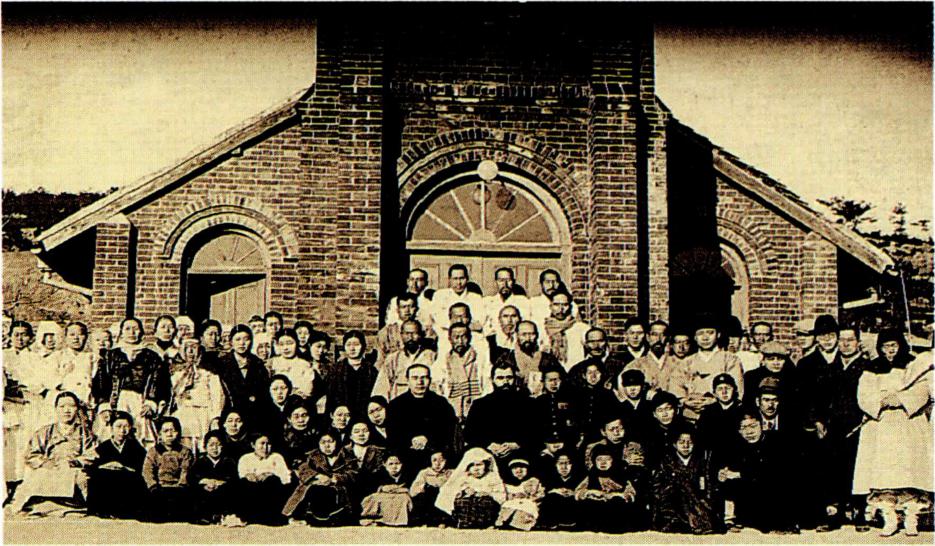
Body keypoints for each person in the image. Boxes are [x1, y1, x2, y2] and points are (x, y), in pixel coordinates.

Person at [852, 328, 933, 537]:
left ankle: (911, 517)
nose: (890, 351)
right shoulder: (872, 369)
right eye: (885, 347)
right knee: (883, 474)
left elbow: (923, 389)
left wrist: (902, 399)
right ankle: (889, 517)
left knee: (908, 472)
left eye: (893, 346)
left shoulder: (913, 365)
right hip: (881, 425)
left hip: (907, 422)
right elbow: (863, 394)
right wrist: (880, 402)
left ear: (901, 346)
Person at [7, 391, 95, 517]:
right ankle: (39, 505)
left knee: (82, 480)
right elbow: (32, 454)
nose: (67, 410)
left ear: (77, 409)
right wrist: (46, 463)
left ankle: (71, 506)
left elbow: (92, 454)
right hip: (49, 469)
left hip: (74, 469)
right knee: (35, 478)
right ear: (56, 409)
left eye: (71, 406)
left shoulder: (85, 433)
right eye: (62, 406)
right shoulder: (45, 432)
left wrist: (73, 462)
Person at [715, 412, 799, 534]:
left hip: (775, 496)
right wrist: (723, 475)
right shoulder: (736, 447)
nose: (749, 431)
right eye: (744, 427)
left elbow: (773, 472)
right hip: (750, 499)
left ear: (762, 426)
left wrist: (739, 474)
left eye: (753, 426)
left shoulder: (776, 442)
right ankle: (730, 519)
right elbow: (728, 472)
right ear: (739, 431)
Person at [92, 317, 171, 448]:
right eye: (127, 329)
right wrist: (104, 405)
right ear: (121, 332)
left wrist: (151, 403)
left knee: (140, 435)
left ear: (141, 332)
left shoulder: (152, 357)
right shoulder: (110, 356)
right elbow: (101, 381)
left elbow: (158, 381)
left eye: (135, 329)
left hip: (140, 402)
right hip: (116, 401)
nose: (132, 332)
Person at [385, 364, 458, 476]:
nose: (420, 382)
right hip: (406, 459)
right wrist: (411, 440)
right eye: (415, 378)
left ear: (430, 380)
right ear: (407, 380)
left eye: (424, 378)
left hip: (436, 458)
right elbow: (393, 435)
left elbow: (449, 431)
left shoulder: (441, 403)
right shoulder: (395, 405)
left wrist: (428, 439)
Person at [282, 430, 358, 526]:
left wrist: (334, 479)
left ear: (337, 442)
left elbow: (353, 473)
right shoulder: (313, 456)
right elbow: (303, 469)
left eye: (330, 442)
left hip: (338, 490)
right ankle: (301, 516)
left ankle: (327, 518)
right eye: (323, 442)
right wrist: (318, 476)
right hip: (316, 486)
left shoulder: (347, 455)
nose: (327, 446)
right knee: (311, 490)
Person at [463, 364, 535, 466]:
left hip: (522, 455)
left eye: (509, 377)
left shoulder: (529, 403)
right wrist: (489, 445)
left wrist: (517, 444)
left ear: (515, 379)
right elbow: (469, 434)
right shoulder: (480, 404)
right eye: (500, 378)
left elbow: (537, 432)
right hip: (488, 455)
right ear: (492, 380)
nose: (505, 382)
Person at [651, 426, 718, 534]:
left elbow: (709, 485)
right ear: (674, 444)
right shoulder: (666, 462)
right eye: (681, 442)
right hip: (672, 504)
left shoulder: (701, 462)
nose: (686, 446)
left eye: (689, 442)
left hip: (697, 502)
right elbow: (657, 488)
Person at [84, 411, 147, 519]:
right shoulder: (103, 447)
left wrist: (124, 467)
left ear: (130, 428)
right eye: (118, 426)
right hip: (108, 484)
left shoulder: (136, 448)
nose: (122, 430)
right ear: (112, 428)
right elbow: (92, 468)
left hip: (128, 484)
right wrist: (105, 466)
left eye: (126, 426)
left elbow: (142, 467)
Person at [574, 443, 647, 533]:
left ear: (613, 461)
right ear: (594, 461)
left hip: (616, 516)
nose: (603, 463)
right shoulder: (591, 476)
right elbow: (577, 492)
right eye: (599, 459)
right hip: (595, 516)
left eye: (607, 459)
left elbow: (631, 494)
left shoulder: (621, 476)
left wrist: (616, 495)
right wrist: (591, 492)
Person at [682, 315, 743, 421]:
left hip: (722, 414)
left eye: (710, 333)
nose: (705, 338)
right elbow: (677, 388)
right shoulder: (687, 361)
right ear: (695, 337)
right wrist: (685, 401)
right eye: (700, 333)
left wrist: (715, 400)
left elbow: (737, 388)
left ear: (718, 335)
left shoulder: (730, 359)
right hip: (691, 415)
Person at [169, 338, 225, 453]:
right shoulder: (175, 372)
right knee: (184, 444)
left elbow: (217, 395)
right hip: (183, 412)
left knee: (202, 443)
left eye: (194, 348)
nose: (190, 351)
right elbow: (172, 394)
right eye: (187, 348)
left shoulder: (209, 371)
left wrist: (215, 417)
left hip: (203, 413)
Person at [436, 447, 506, 529]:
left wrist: (488, 493)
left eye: (479, 465)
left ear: (486, 465)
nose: (476, 469)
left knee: (485, 502)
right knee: (463, 501)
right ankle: (463, 523)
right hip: (468, 505)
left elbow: (500, 494)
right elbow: (451, 490)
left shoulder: (492, 477)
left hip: (486, 504)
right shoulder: (464, 478)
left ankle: (485, 524)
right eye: (472, 465)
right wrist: (464, 491)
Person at [433, 323, 491, 420]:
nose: (460, 341)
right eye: (456, 337)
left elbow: (487, 385)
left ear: (470, 338)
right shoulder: (443, 361)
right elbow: (438, 387)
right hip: (452, 410)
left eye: (464, 337)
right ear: (450, 339)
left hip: (476, 408)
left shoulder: (480, 359)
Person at [142, 417, 194, 523]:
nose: (169, 434)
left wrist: (181, 485)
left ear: (178, 433)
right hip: (159, 488)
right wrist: (153, 486)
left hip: (178, 488)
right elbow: (147, 471)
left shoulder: (185, 452)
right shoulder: (153, 451)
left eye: (173, 431)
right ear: (160, 434)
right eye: (165, 431)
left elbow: (186, 470)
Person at [213, 324, 270, 417]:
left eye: (246, 339)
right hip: (230, 413)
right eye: (238, 339)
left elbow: (264, 393)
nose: (242, 343)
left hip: (254, 413)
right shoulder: (221, 364)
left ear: (251, 341)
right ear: (231, 342)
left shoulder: (258, 364)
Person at [372, 319, 436, 401]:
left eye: (414, 333)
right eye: (407, 333)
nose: (410, 337)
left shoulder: (431, 357)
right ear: (401, 335)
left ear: (421, 335)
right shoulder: (393, 359)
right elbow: (382, 386)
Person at [235, 432, 291, 526]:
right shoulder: (245, 458)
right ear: (253, 445)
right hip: (253, 492)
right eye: (262, 443)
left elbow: (286, 478)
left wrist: (270, 474)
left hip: (270, 492)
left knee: (272, 481)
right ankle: (250, 515)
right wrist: (249, 476)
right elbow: (242, 474)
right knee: (244, 483)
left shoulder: (276, 457)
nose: (265, 447)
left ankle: (268, 515)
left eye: (268, 444)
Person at [494, 320, 561, 396]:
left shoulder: (548, 359)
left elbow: (560, 380)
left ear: (537, 336)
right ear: (517, 335)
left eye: (532, 334)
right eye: (524, 334)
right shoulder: (507, 358)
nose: (528, 338)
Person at [189, 429, 238, 525]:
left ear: (223, 446)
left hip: (221, 491)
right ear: (205, 447)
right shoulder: (200, 461)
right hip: (205, 491)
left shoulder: (228, 461)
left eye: (218, 445)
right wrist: (204, 482)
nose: (215, 448)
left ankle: (222, 516)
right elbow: (192, 477)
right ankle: (203, 516)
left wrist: (218, 483)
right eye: (211, 445)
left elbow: (233, 478)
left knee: (230, 491)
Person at [626, 321, 687, 397]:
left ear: (668, 338)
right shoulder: (635, 365)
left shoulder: (680, 364)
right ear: (648, 337)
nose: (658, 339)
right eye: (654, 334)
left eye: (663, 335)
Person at [327, 331, 379, 418]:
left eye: (356, 344)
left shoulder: (371, 371)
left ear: (363, 346)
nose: (352, 348)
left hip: (365, 416)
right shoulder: (336, 370)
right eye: (348, 345)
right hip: (342, 417)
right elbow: (330, 398)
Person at [568, 360, 620, 446]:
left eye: (596, 372)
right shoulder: (576, 394)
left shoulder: (608, 394)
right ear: (584, 376)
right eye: (589, 373)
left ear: (601, 374)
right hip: (578, 438)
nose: (593, 376)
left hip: (602, 439)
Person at [695, 373, 744, 458]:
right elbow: (701, 438)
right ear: (714, 393)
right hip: (714, 457)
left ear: (734, 390)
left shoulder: (743, 410)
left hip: (738, 455)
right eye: (720, 389)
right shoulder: (708, 412)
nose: (724, 392)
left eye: (727, 388)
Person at [540, 289, 590, 370]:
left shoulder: (582, 328)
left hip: (574, 372)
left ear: (570, 307)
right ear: (550, 306)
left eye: (565, 305)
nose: (561, 309)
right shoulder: (543, 328)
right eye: (556, 304)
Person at [267, 329, 322, 402]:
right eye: (281, 344)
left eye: (290, 343)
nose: (285, 348)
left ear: (297, 343)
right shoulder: (271, 363)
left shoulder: (305, 365)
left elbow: (307, 391)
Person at [430, 264, 485, 337]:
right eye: (455, 279)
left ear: (467, 279)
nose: (459, 283)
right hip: (444, 336)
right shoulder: (440, 295)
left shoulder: (476, 298)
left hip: (470, 336)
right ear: (449, 280)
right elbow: (439, 320)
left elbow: (479, 323)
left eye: (462, 278)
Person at [359, 453, 413, 527]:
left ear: (402, 464)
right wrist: (382, 488)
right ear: (384, 464)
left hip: (401, 497)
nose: (394, 467)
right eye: (390, 464)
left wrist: (405, 490)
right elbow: (367, 489)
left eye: (397, 463)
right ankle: (377, 519)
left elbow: (415, 489)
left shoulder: (409, 476)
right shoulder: (378, 475)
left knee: (403, 498)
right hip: (383, 498)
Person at [531, 365, 576, 448]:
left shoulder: (570, 400)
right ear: (543, 383)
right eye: (550, 380)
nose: (554, 383)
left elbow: (574, 426)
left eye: (556, 380)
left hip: (566, 445)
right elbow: (534, 429)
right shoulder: (537, 402)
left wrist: (566, 444)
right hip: (544, 446)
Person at [537, 449, 582, 530]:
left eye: (567, 463)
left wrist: (574, 493)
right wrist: (555, 491)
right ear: (555, 465)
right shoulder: (549, 479)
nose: (564, 467)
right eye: (560, 463)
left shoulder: (580, 479)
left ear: (572, 464)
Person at [496, 457, 544, 531]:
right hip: (511, 503)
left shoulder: (533, 481)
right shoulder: (506, 484)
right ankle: (504, 522)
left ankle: (520, 524)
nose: (519, 471)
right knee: (508, 505)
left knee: (527, 506)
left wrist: (528, 496)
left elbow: (538, 495)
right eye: (515, 468)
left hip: (528, 503)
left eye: (522, 467)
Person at [482, 267, 531, 336]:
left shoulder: (522, 301)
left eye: (508, 280)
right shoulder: (487, 302)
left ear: (513, 282)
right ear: (495, 282)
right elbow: (484, 326)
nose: (505, 284)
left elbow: (526, 325)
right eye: (501, 280)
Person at [410, 450, 453, 526]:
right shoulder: (424, 473)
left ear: (446, 461)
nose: (438, 464)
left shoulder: (450, 473)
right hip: (429, 499)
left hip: (444, 498)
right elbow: (413, 491)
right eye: (434, 460)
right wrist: (420, 488)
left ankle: (443, 521)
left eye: (441, 460)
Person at [615, 369, 654, 444]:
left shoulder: (650, 404)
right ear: (623, 387)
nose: (632, 389)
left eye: (636, 385)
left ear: (642, 386)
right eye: (628, 385)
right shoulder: (619, 407)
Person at [280, 398, 320, 470]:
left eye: (304, 415)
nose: (301, 420)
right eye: (296, 416)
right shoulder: (282, 438)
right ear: (289, 418)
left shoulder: (317, 434)